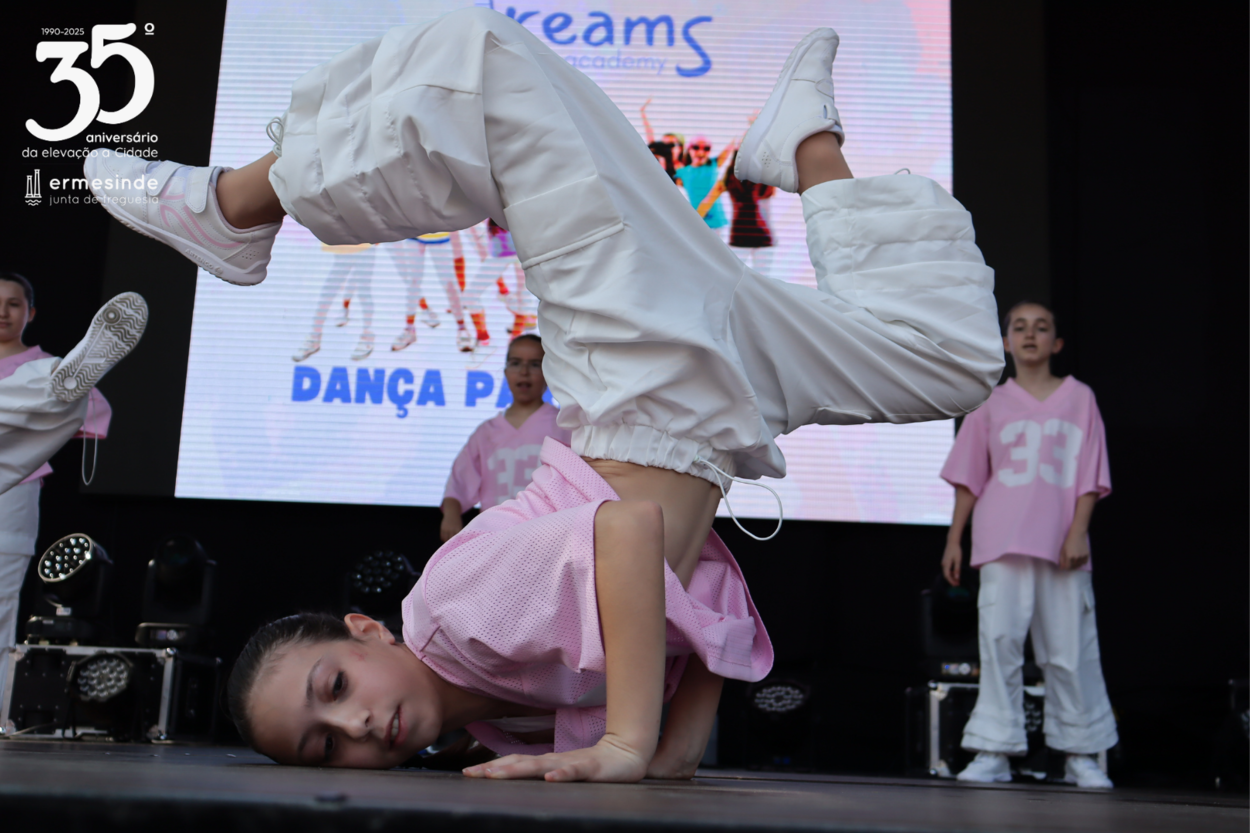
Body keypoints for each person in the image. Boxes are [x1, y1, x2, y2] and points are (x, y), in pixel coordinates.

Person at [84, 13, 1002, 781]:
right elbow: (703, 596)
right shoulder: (508, 721)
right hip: (720, 406)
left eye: (336, 687)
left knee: (483, 64)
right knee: (951, 362)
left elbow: (630, 531)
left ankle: (235, 206)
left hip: (643, 370)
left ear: (368, 631)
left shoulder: (452, 613)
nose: (356, 725)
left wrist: (629, 743)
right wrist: (675, 749)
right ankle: (804, 143)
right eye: (325, 746)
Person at [939, 301, 1116, 789]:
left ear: (1056, 343)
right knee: (999, 643)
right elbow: (970, 478)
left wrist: (1078, 531)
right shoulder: (990, 402)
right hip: (1001, 539)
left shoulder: (1080, 398)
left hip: (1062, 543)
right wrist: (954, 539)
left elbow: (1090, 472)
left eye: (1041, 328)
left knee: (1070, 648)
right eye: (1020, 327)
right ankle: (994, 750)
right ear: (1006, 342)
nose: (1030, 334)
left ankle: (1081, 754)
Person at [0, 286, 146, 699]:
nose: (3, 312)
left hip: (12, 492)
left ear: (30, 312)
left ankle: (61, 384)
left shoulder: (34, 360)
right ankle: (57, 386)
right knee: (55, 394)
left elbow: (94, 415)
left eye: (13, 303)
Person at [439, 334, 571, 543]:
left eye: (534, 364)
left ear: (549, 371)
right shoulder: (486, 432)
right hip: (494, 538)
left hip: (546, 538)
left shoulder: (564, 426)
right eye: (516, 363)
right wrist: (451, 515)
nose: (524, 372)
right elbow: (459, 484)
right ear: (505, 371)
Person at [293, 242, 377, 362]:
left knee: (362, 287)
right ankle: (315, 337)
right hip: (344, 242)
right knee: (332, 287)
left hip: (364, 242)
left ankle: (367, 335)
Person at [723, 150, 777, 277]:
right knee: (753, 279)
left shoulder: (758, 180)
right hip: (750, 234)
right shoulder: (737, 179)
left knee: (745, 279)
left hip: (750, 234)